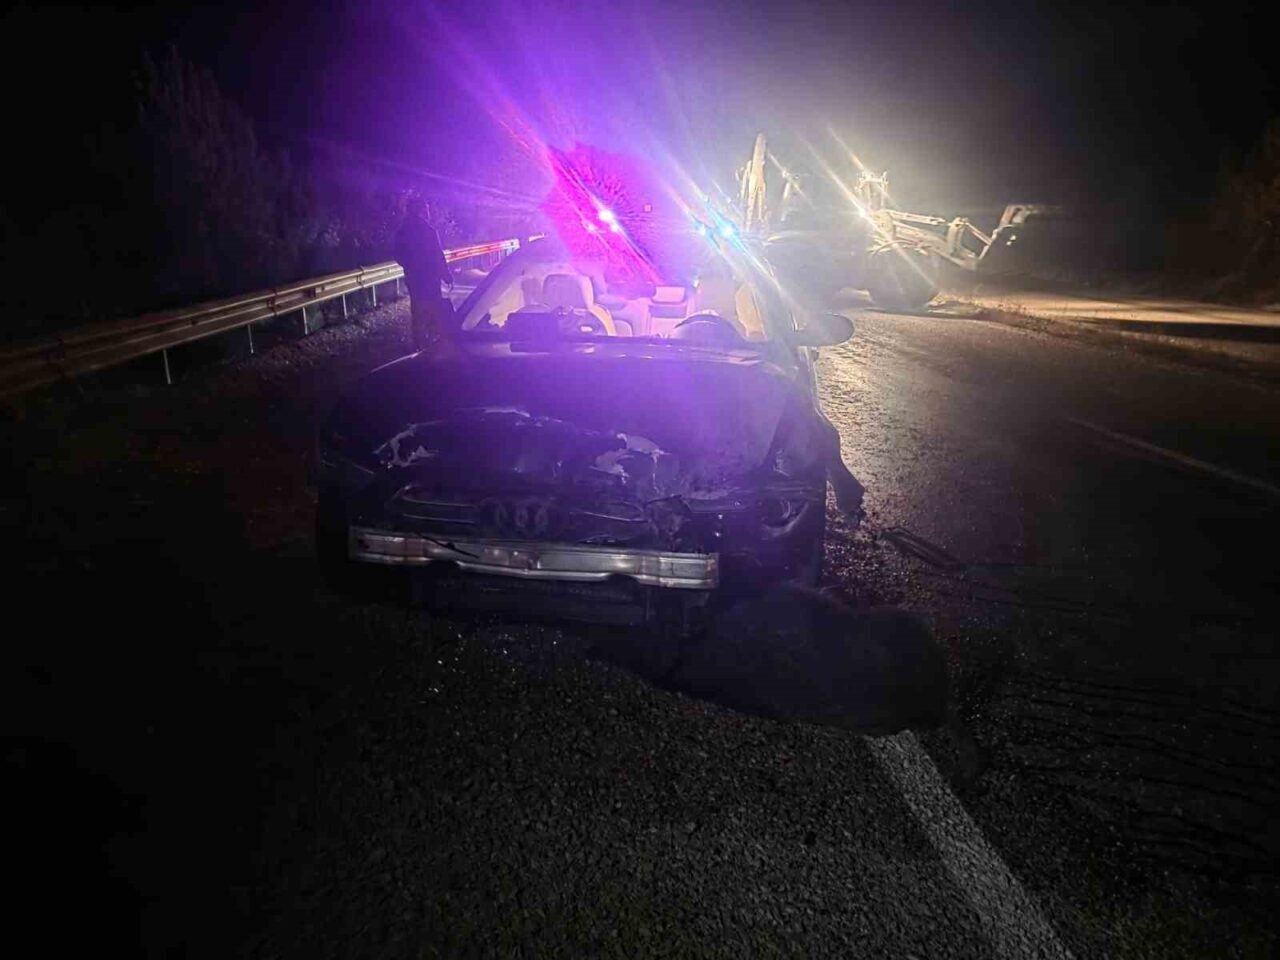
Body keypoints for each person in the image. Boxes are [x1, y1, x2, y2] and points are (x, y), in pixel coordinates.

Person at [395, 194, 453, 352]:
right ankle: (433, 342)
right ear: (420, 210)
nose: (428, 212)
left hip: (414, 278)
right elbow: (437, 255)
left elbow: (398, 254)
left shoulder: (402, 232)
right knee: (433, 307)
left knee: (417, 309)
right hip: (430, 277)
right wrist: (446, 275)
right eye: (426, 209)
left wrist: (410, 266)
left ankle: (419, 343)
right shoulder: (428, 231)